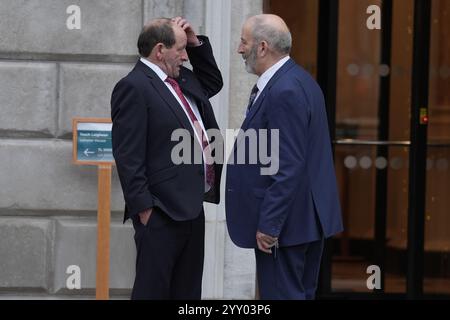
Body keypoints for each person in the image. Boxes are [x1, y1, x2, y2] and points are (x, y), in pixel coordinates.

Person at [225, 14, 343, 300]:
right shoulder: (300, 80)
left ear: (262, 47)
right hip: (303, 223)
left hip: (287, 227)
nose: (240, 49)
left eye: (244, 42)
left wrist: (269, 225)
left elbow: (288, 165)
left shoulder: (284, 90)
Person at [111, 17, 223, 300]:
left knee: (187, 294)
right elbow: (128, 155)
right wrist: (145, 211)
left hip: (192, 207)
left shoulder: (181, 79)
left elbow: (213, 82)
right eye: (182, 49)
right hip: (161, 212)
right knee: (153, 292)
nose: (186, 57)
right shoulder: (134, 86)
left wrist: (196, 42)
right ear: (160, 50)